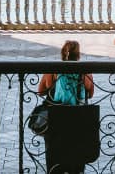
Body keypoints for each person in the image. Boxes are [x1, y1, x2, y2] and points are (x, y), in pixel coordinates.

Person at [36, 41, 98, 174]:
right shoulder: (85, 72)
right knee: (76, 155)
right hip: (78, 121)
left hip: (57, 120)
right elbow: (91, 93)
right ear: (78, 55)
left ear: (63, 54)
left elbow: (40, 91)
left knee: (54, 157)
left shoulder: (53, 70)